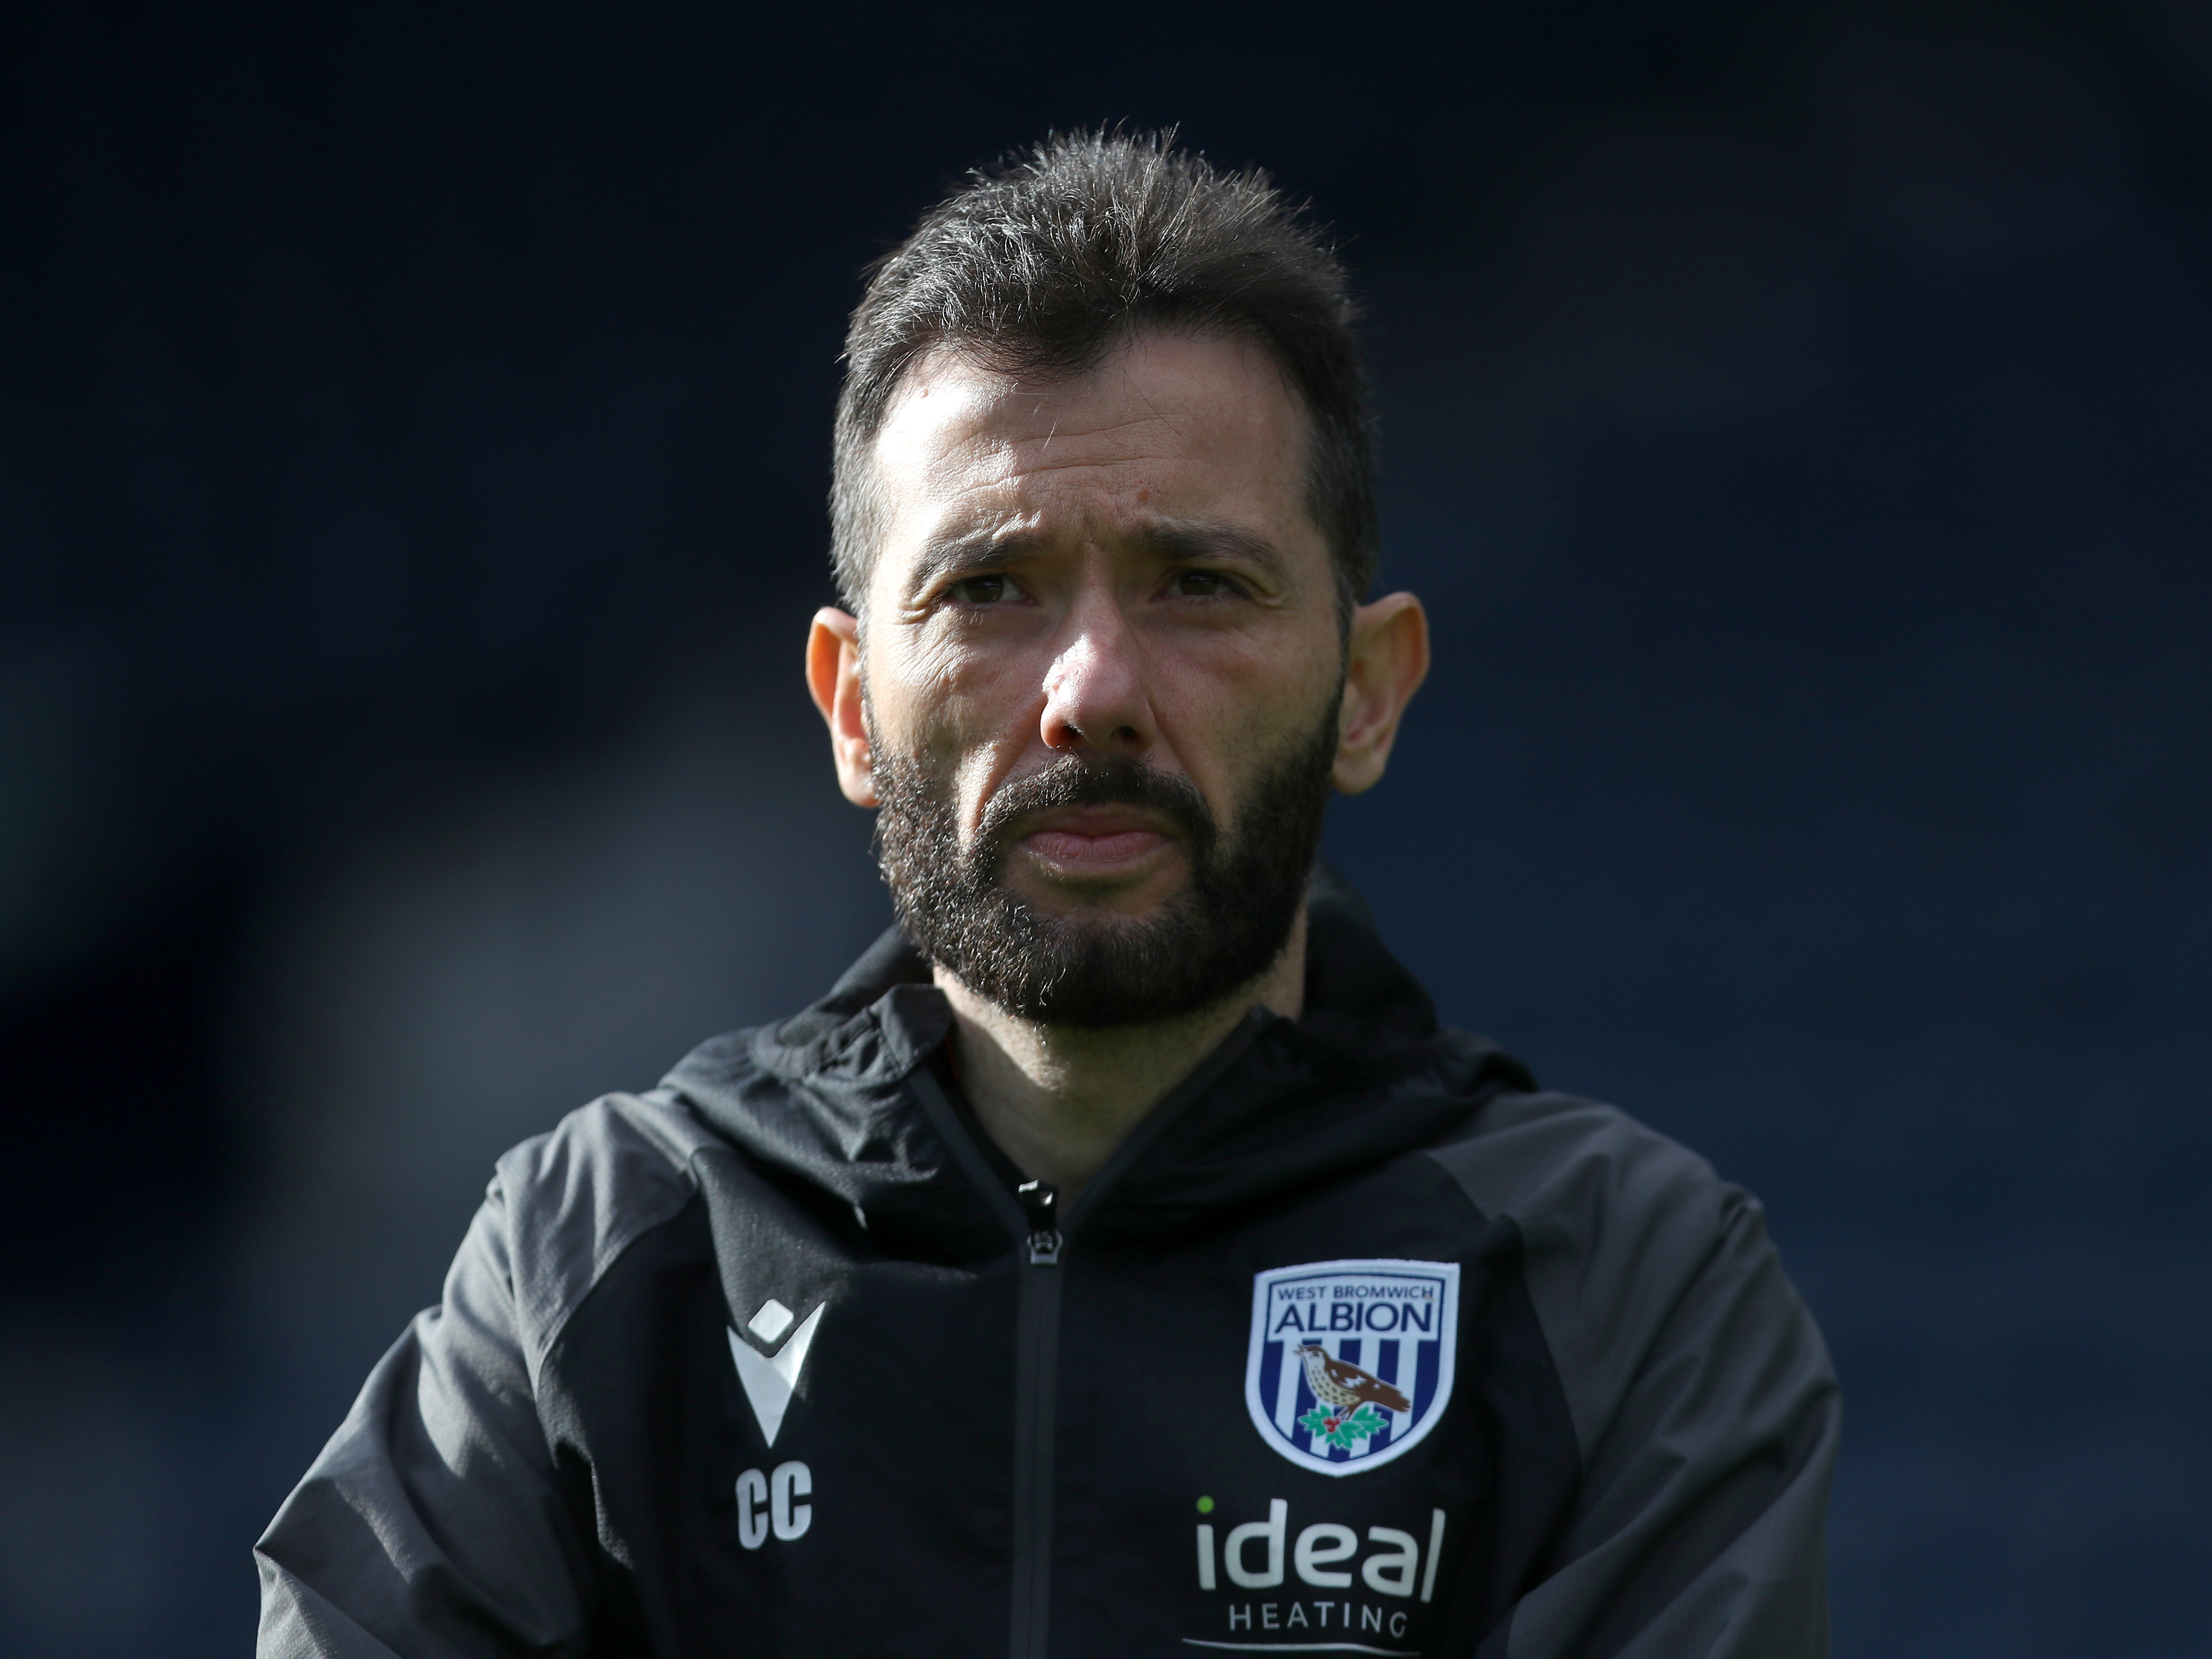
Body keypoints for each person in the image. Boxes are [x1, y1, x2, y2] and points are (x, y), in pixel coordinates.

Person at [256, 131, 1839, 1659]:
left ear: (1365, 690)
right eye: (989, 590)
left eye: (1197, 586)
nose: (1089, 689)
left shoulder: (1621, 1284)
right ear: (851, 707)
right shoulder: (600, 1258)